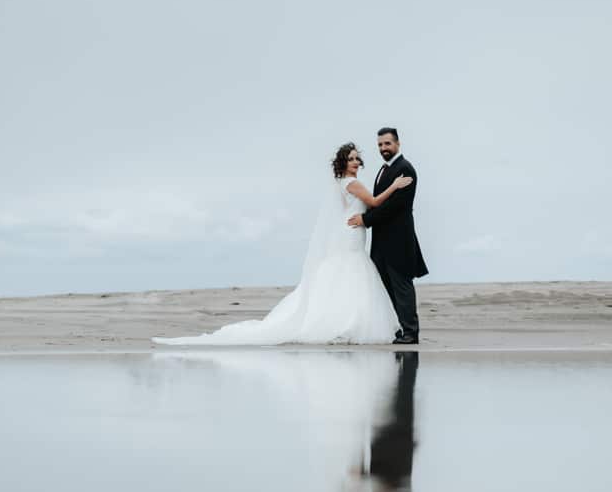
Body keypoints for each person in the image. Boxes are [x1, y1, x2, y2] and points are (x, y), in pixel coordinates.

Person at [152, 142, 410, 345]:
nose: (356, 162)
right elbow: (375, 202)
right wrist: (395, 186)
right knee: (351, 273)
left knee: (346, 274)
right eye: (351, 158)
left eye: (357, 158)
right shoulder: (351, 183)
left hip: (351, 230)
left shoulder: (343, 183)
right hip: (351, 233)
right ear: (343, 163)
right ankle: (344, 323)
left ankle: (345, 320)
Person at [347, 127, 428, 344]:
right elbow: (377, 200)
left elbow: (395, 206)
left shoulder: (405, 169)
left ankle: (411, 332)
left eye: (387, 144)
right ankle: (399, 328)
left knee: (401, 286)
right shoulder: (384, 169)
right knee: (386, 288)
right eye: (380, 145)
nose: (383, 148)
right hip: (381, 243)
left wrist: (366, 220)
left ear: (398, 144)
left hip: (399, 241)